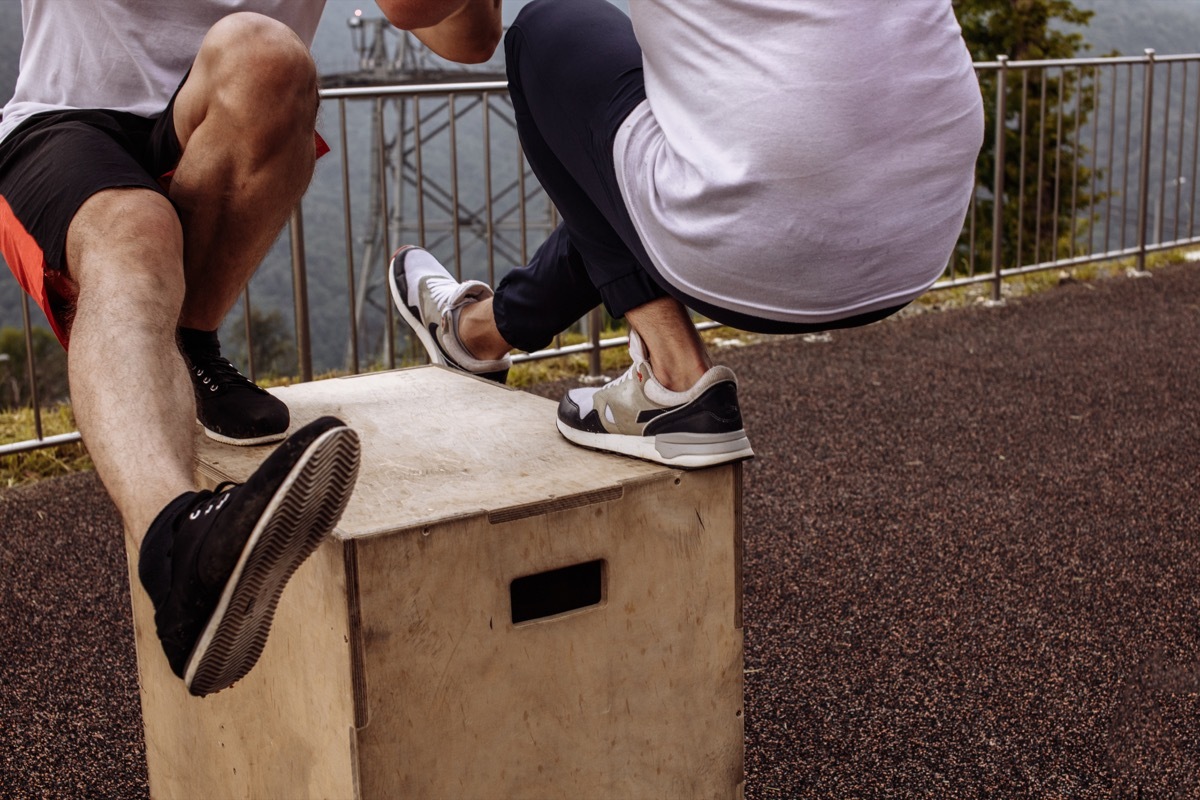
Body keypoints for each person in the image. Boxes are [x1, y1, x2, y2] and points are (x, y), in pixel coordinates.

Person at [0, 0, 503, 696]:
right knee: (137, 235)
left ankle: (188, 342)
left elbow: (469, 37)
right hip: (69, 119)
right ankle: (178, 553)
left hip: (214, 124)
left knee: (266, 55)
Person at [391, 0, 985, 469]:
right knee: (650, 159)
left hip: (767, 244)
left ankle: (673, 379)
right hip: (922, 231)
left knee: (548, 29)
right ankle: (477, 331)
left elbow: (418, 11)